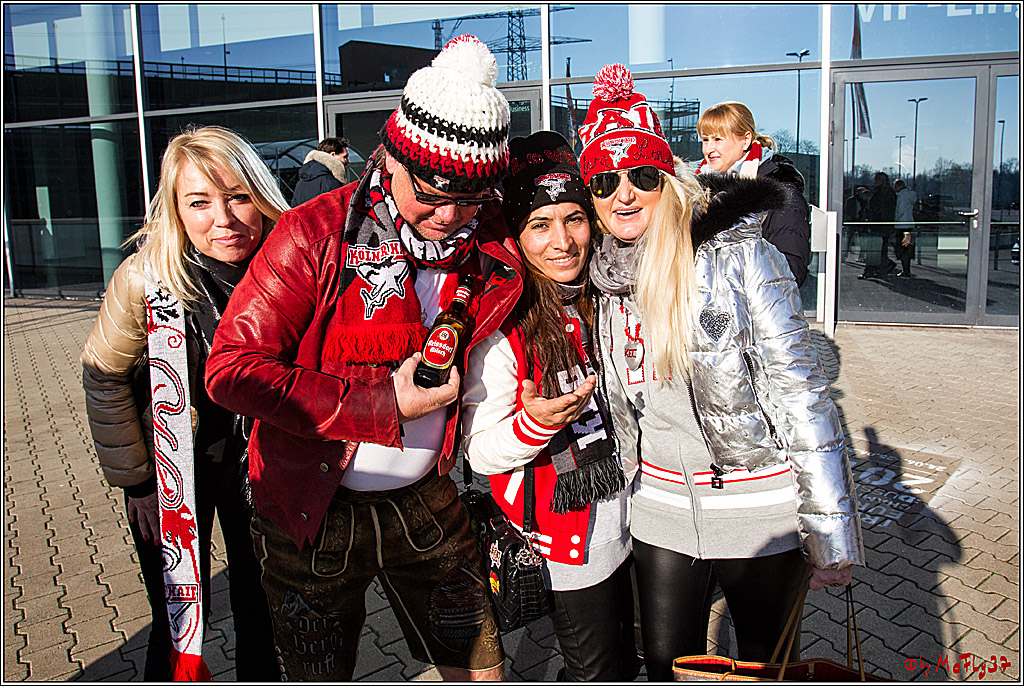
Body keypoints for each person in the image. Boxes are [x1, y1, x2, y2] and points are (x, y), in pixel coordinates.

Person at [203, 35, 521, 682]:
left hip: (428, 500)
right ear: (394, 157)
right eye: (430, 193)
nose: (448, 216)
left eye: (469, 198)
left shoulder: (489, 244)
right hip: (312, 507)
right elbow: (231, 369)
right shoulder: (314, 233)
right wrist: (382, 405)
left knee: (482, 670)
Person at [578, 64, 864, 682]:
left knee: (765, 670)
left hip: (757, 505)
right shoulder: (600, 279)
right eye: (604, 181)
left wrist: (831, 534)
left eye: (641, 175)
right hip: (659, 509)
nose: (624, 194)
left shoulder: (740, 257)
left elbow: (802, 394)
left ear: (668, 180)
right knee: (666, 667)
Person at [81, 125, 287, 681]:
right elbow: (103, 376)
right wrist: (137, 483)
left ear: (261, 195)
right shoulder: (146, 277)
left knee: (263, 608)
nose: (224, 218)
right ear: (175, 209)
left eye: (238, 196)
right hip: (171, 475)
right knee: (179, 620)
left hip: (262, 469)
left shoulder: (291, 266)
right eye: (200, 202)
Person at [461, 131, 638, 682]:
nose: (562, 241)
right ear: (516, 235)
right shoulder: (503, 329)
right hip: (568, 540)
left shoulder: (608, 298)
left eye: (574, 218)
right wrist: (533, 425)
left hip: (637, 518)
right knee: (595, 672)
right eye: (540, 224)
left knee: (623, 663)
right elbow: (479, 453)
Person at [695, 101, 812, 286]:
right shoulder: (696, 189)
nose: (708, 149)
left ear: (746, 139)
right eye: (705, 140)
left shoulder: (778, 193)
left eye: (717, 139)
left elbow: (791, 270)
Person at [291, 136, 349, 207]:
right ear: (332, 155)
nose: (348, 161)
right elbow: (336, 211)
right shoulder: (331, 182)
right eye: (345, 157)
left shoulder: (300, 184)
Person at [859, 171, 897, 278]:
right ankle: (879, 268)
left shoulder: (882, 193)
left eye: (877, 179)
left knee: (873, 249)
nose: (874, 182)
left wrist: (872, 219)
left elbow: (880, 210)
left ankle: (873, 269)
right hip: (882, 226)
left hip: (878, 225)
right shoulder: (887, 192)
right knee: (878, 250)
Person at [892, 178, 917, 277]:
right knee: (907, 247)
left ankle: (905, 270)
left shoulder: (902, 196)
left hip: (901, 224)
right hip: (909, 223)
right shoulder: (910, 195)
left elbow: (900, 210)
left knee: (901, 248)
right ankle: (907, 270)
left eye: (895, 186)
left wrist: (894, 220)